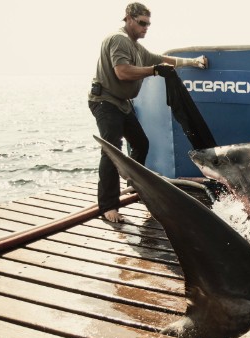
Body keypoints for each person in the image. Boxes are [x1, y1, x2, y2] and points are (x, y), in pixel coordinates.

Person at [88, 2, 208, 223]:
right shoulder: (119, 40)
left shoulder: (136, 47)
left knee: (141, 143)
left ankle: (132, 184)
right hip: (105, 101)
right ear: (128, 19)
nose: (145, 28)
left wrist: (192, 62)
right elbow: (122, 72)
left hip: (122, 103)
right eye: (142, 23)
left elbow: (161, 59)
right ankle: (108, 206)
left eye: (148, 25)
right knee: (112, 150)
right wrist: (153, 71)